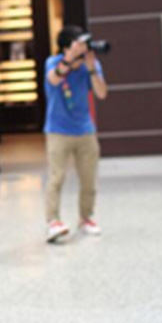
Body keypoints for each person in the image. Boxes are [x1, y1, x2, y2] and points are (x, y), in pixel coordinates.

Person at [44, 26, 108, 243]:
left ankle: (86, 217)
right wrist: (69, 60)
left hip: (85, 130)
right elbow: (54, 79)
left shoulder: (91, 65)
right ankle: (53, 221)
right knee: (56, 177)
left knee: (89, 178)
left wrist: (91, 69)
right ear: (66, 48)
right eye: (78, 44)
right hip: (58, 130)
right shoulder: (53, 62)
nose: (84, 48)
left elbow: (102, 93)